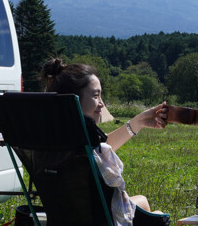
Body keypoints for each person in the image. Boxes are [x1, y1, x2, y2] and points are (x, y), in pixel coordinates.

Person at [39, 58, 167, 224]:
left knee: (141, 200)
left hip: (63, 220)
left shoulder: (50, 139)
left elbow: (102, 146)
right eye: (96, 96)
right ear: (74, 100)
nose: (102, 104)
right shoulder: (84, 142)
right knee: (158, 215)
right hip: (98, 219)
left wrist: (138, 122)